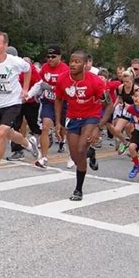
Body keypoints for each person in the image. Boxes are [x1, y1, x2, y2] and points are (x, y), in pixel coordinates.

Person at [0, 31, 39, 183]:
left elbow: (28, 69)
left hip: (13, 101)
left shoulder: (14, 61)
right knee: (9, 133)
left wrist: (25, 89)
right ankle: (28, 144)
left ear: (5, 45)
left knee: (2, 132)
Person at [54, 50, 113, 201]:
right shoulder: (62, 79)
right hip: (73, 118)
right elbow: (59, 99)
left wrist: (98, 127)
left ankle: (78, 189)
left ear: (85, 64)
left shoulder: (95, 81)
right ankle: (90, 153)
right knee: (75, 157)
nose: (73, 64)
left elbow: (109, 105)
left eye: (77, 61)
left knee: (81, 148)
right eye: (71, 61)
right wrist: (58, 122)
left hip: (91, 118)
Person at [28, 44, 70, 168]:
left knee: (65, 129)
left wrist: (51, 87)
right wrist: (35, 93)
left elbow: (67, 88)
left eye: (53, 56)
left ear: (60, 57)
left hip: (63, 102)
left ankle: (71, 155)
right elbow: (40, 83)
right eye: (48, 56)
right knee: (45, 126)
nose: (50, 59)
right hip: (48, 101)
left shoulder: (65, 69)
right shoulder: (45, 67)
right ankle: (44, 157)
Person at [6, 47, 42, 161]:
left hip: (30, 101)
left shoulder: (25, 65)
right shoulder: (3, 66)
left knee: (34, 126)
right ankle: (17, 151)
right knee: (14, 125)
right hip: (15, 102)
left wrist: (28, 95)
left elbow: (38, 82)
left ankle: (40, 146)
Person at [110, 68, 138, 154]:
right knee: (116, 130)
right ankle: (125, 142)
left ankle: (135, 149)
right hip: (125, 111)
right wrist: (113, 106)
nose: (125, 84)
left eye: (127, 82)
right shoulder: (121, 87)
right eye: (124, 81)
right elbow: (119, 98)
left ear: (132, 80)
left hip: (135, 112)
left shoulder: (136, 88)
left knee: (130, 129)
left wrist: (131, 106)